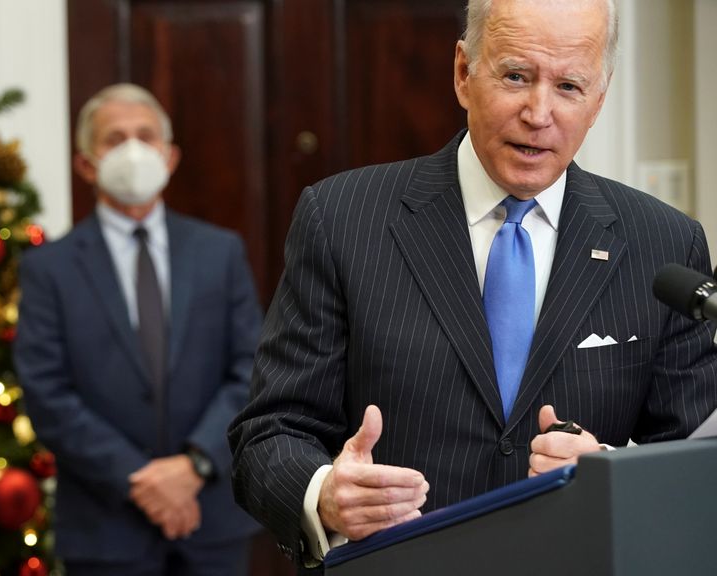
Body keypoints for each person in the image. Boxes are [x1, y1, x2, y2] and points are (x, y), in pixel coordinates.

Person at [228, 0, 717, 570]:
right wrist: (325, 497)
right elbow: (268, 435)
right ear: (463, 72)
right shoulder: (342, 219)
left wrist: (607, 472)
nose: (539, 113)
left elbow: (695, 466)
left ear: (600, 99)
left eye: (569, 87)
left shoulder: (663, 242)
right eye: (516, 76)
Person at [14, 83, 262, 576]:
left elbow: (252, 368)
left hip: (212, 520)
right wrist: (140, 479)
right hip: (105, 529)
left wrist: (194, 466)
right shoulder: (49, 268)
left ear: (169, 157)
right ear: (86, 163)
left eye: (145, 136)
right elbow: (47, 392)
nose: (132, 149)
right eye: (114, 138)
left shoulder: (221, 253)